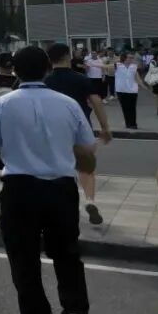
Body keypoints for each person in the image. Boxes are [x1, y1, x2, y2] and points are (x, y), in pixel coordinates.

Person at [0, 46, 96, 314]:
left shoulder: (3, 103)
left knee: (24, 259)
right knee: (67, 254)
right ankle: (75, 312)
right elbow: (87, 144)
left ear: (15, 71)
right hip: (61, 188)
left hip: (19, 188)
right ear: (47, 69)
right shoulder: (67, 103)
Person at [45, 44, 112, 226]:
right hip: (82, 128)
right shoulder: (81, 79)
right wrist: (105, 127)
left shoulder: (46, 81)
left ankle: (61, 204)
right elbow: (97, 102)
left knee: (58, 169)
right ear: (68, 57)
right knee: (86, 168)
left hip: (54, 131)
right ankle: (90, 201)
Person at [114, 51, 148, 130]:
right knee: (125, 108)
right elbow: (105, 66)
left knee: (132, 107)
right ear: (124, 58)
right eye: (129, 57)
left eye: (132, 58)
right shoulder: (118, 65)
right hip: (121, 90)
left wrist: (143, 86)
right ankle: (128, 123)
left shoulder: (134, 66)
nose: (131, 59)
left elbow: (137, 78)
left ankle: (133, 124)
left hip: (132, 90)